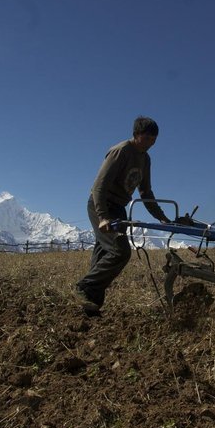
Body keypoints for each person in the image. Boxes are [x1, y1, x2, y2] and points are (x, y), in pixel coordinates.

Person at [73, 116, 170, 316]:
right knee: (120, 251)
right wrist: (102, 217)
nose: (151, 143)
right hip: (101, 205)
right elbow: (99, 186)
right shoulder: (121, 151)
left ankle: (90, 307)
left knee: (102, 253)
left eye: (154, 139)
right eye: (147, 138)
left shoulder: (145, 159)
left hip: (119, 208)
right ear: (136, 135)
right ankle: (84, 287)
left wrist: (162, 217)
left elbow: (146, 192)